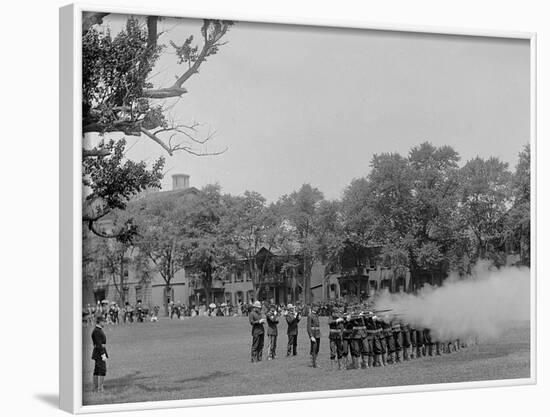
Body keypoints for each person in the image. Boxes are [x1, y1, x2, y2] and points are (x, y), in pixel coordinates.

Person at [91, 316, 108, 392]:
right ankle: (100, 388)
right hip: (99, 352)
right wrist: (102, 354)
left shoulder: (98, 330)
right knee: (102, 369)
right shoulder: (97, 331)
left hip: (99, 351)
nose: (104, 323)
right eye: (103, 321)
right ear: (100, 322)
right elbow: (98, 344)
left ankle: (96, 388)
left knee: (97, 369)